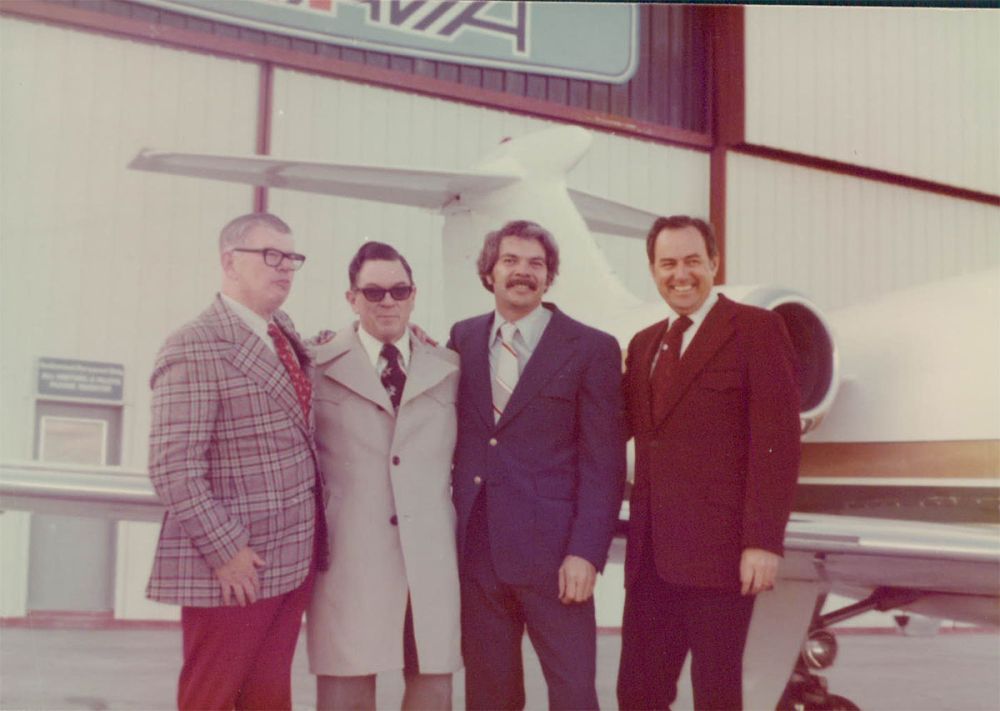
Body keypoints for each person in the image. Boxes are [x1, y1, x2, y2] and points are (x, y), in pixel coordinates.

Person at [617, 215, 801, 710]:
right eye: (668, 264)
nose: (681, 275)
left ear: (714, 263)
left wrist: (763, 541)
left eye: (693, 261)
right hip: (651, 559)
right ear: (653, 270)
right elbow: (617, 427)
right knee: (637, 695)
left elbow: (778, 444)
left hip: (721, 558)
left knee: (716, 695)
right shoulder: (644, 344)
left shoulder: (756, 329)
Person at [146, 212, 326, 710]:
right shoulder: (194, 345)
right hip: (234, 568)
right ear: (229, 262)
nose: (285, 267)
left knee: (268, 698)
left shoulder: (282, 331)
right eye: (271, 255)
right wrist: (226, 552)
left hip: (291, 559)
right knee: (211, 697)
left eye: (291, 257)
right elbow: (172, 467)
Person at [448, 219, 626, 710]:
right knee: (490, 696)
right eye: (510, 261)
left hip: (556, 559)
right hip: (480, 554)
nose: (522, 272)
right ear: (489, 272)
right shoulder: (462, 338)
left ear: (549, 276)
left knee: (573, 694)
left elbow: (605, 465)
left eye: (536, 264)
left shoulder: (591, 348)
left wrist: (586, 553)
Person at [307, 241, 462, 711]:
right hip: (351, 560)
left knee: (432, 693)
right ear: (351, 299)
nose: (388, 301)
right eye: (373, 292)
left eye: (399, 290)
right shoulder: (316, 365)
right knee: (346, 695)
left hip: (429, 562)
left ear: (414, 296)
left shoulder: (450, 368)